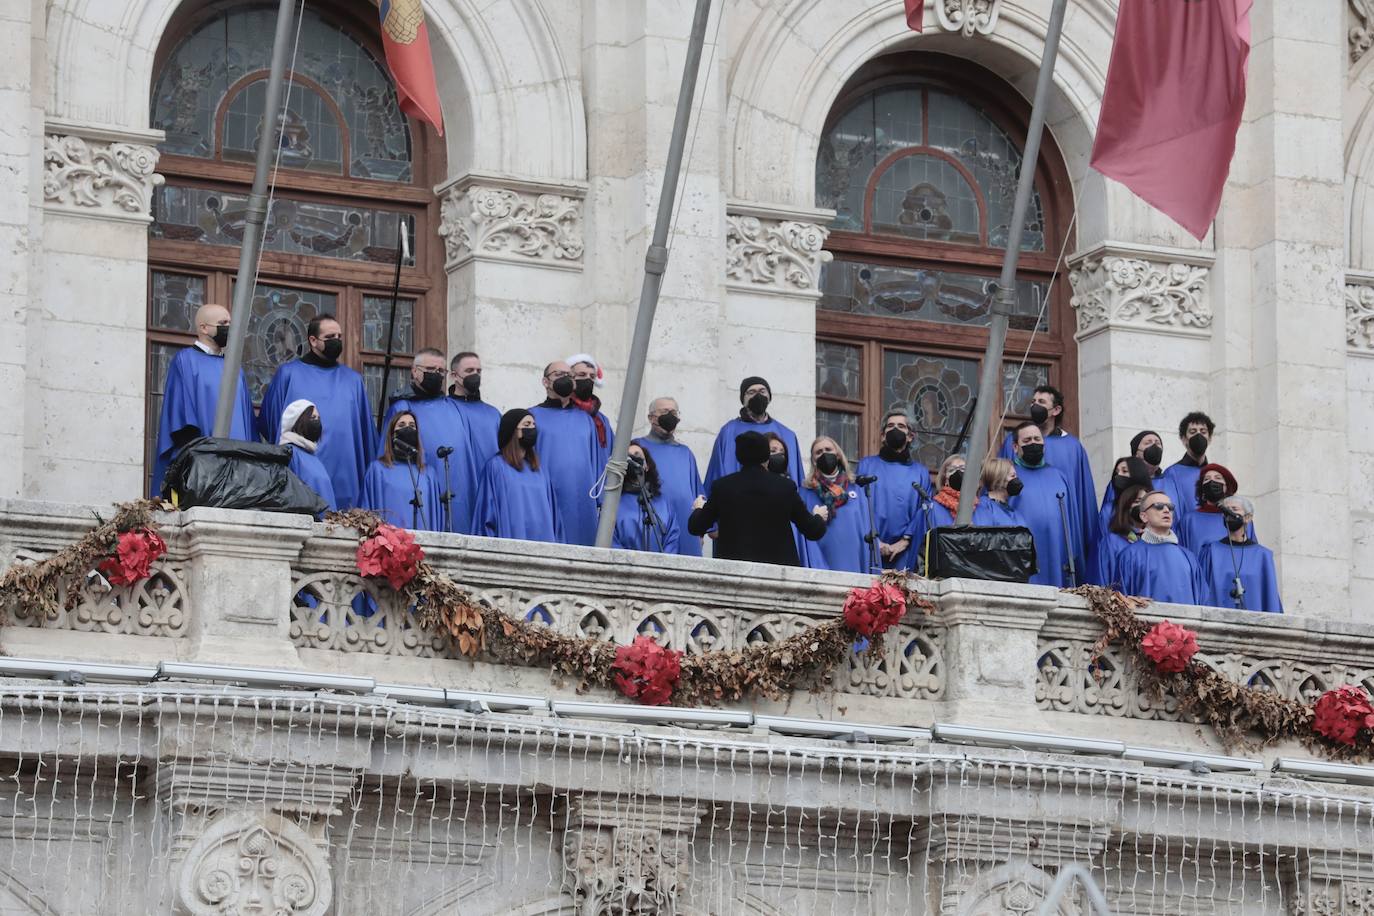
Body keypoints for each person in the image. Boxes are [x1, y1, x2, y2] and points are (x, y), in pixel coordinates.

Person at [257, 314, 376, 510]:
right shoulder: (288, 374)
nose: (336, 341)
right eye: (330, 337)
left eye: (339, 336)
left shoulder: (353, 381)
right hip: (300, 472)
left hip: (346, 473)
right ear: (313, 340)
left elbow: (365, 435)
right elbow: (271, 424)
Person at [150, 303, 254, 496]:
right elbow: (180, 414)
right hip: (203, 465)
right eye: (223, 323)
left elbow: (246, 419)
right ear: (204, 328)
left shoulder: (235, 369)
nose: (229, 328)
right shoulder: (185, 361)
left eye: (231, 323)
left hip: (239, 467)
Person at [688, 431, 828, 566]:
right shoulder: (785, 487)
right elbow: (812, 530)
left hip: (735, 575)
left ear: (739, 456)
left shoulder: (722, 487)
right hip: (778, 576)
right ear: (766, 457)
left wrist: (699, 508)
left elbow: (696, 527)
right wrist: (818, 516)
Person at [384, 348, 478, 534]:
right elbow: (387, 457)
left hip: (456, 496)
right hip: (419, 494)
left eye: (440, 371)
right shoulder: (402, 407)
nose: (436, 374)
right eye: (431, 369)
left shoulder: (454, 408)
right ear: (415, 371)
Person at [999, 385, 1097, 560]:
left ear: (1056, 410)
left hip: (1059, 533)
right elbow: (997, 481)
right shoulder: (1011, 442)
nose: (1035, 405)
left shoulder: (1073, 448)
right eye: (1033, 401)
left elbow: (1082, 496)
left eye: (1041, 402)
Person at [528, 360, 606, 546]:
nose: (565, 378)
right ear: (545, 382)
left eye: (569, 376)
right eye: (558, 374)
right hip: (546, 497)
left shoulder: (587, 420)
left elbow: (597, 462)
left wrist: (602, 503)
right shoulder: (532, 417)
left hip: (582, 502)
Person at [1008, 422, 1086, 587]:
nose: (1033, 443)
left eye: (1037, 439)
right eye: (1027, 440)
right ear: (1015, 447)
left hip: (1057, 553)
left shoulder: (1059, 476)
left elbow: (1072, 521)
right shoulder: (1008, 477)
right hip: (1023, 555)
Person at [855, 410, 932, 569]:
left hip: (906, 552)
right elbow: (858, 506)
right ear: (883, 435)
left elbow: (924, 510)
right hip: (870, 547)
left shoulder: (921, 473)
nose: (895, 429)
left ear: (910, 436)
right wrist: (875, 541)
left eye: (901, 426)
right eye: (890, 426)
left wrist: (904, 541)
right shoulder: (866, 465)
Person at [473, 408, 563, 543]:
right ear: (512, 431)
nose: (532, 429)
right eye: (526, 425)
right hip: (511, 545)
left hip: (542, 546)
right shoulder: (496, 467)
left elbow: (554, 517)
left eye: (533, 425)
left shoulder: (540, 470)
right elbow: (486, 514)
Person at [633, 397, 704, 556]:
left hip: (685, 525)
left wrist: (701, 528)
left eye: (673, 412)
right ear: (651, 418)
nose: (670, 416)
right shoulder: (637, 448)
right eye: (665, 412)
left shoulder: (685, 453)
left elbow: (698, 494)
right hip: (652, 523)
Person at [704, 377, 803, 491]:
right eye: (751, 392)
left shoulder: (787, 435)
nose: (758, 395)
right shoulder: (728, 432)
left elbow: (797, 481)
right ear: (743, 400)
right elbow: (716, 474)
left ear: (769, 397)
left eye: (762, 391)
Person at [798, 437, 874, 573]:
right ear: (814, 460)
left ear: (838, 455)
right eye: (818, 452)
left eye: (828, 450)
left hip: (854, 561)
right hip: (820, 561)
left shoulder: (856, 489)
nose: (824, 454)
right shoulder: (805, 493)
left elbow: (866, 528)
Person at [1115, 490, 1203, 604]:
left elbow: (1202, 601)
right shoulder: (1129, 555)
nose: (1166, 510)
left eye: (1170, 507)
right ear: (1144, 516)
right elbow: (1120, 601)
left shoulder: (1189, 557)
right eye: (1159, 506)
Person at [1198, 496, 1282, 613]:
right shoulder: (1210, 552)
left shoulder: (1263, 556)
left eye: (1234, 509)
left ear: (1248, 517)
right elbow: (1202, 593)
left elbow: (1270, 598)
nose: (1229, 512)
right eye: (1226, 509)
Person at [361, 411, 443, 530]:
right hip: (389, 544)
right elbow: (366, 514)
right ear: (392, 435)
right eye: (401, 425)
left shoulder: (429, 474)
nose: (407, 429)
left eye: (412, 426)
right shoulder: (377, 470)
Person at [608, 443, 680, 553]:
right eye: (629, 457)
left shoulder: (664, 504)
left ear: (646, 466)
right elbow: (610, 541)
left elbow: (672, 540)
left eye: (637, 455)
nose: (633, 459)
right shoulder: (613, 504)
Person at [904, 455, 967, 574]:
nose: (958, 473)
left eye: (963, 469)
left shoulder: (981, 509)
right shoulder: (930, 510)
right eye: (952, 470)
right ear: (945, 478)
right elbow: (919, 553)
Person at [1178, 462, 1257, 552]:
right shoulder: (1189, 520)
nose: (1212, 481)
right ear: (1202, 489)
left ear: (1226, 487)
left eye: (1218, 478)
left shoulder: (1240, 518)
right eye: (1206, 479)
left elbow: (1253, 553)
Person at [276, 399, 336, 514]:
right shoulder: (288, 453)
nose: (317, 421)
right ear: (298, 421)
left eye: (318, 418)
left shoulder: (312, 456)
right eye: (313, 417)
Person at [1089, 484, 1148, 590]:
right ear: (1126, 507)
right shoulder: (1112, 542)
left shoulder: (1155, 542)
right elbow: (1103, 580)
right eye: (1137, 501)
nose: (1142, 506)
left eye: (1146, 502)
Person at [449, 351, 501, 464]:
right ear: (454, 376)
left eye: (478, 371)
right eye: (469, 370)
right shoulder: (444, 409)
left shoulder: (493, 414)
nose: (475, 375)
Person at [1162, 411, 1215, 524]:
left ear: (1209, 438)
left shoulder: (1216, 474)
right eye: (1193, 432)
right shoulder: (1172, 473)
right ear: (1183, 439)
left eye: (1203, 431)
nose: (1198, 435)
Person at [567, 353, 616, 470]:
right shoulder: (560, 413)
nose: (588, 379)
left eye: (592, 376)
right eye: (582, 374)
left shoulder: (602, 420)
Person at [1130, 429, 1186, 515]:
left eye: (1157, 443)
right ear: (1136, 453)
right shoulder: (1125, 482)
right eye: (1148, 443)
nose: (1154, 445)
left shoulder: (1171, 483)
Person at [1096, 456, 1152, 537]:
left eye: (1124, 471)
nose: (1118, 475)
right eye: (1116, 472)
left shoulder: (1155, 504)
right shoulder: (1109, 510)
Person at [971, 458, 1029, 528]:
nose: (1017, 479)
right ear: (998, 481)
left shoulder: (1012, 510)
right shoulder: (983, 506)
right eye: (1013, 476)